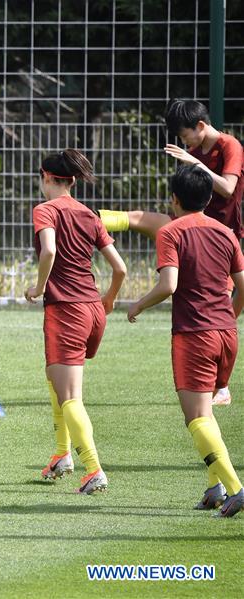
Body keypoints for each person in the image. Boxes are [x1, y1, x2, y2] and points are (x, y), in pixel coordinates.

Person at [99, 100, 242, 405]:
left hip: (220, 237)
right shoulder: (193, 153)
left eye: (185, 135)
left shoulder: (229, 146)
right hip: (192, 226)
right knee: (141, 218)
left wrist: (195, 164)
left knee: (220, 308)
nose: (185, 143)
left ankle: (221, 384)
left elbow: (228, 189)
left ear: (200, 126)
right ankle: (86, 219)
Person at [127, 164, 244, 518]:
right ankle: (215, 488)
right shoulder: (226, 233)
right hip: (227, 335)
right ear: (208, 198)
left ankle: (236, 489)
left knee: (196, 420)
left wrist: (138, 304)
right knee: (204, 413)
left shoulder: (171, 232)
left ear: (174, 199)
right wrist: (228, 317)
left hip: (194, 336)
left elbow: (169, 285)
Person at [24, 149, 126, 495]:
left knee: (70, 396)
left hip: (67, 311)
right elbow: (120, 268)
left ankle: (94, 470)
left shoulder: (45, 210)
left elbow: (49, 250)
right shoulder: (88, 214)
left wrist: (39, 287)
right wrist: (109, 298)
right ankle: (61, 454)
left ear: (46, 177)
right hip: (92, 310)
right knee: (54, 377)